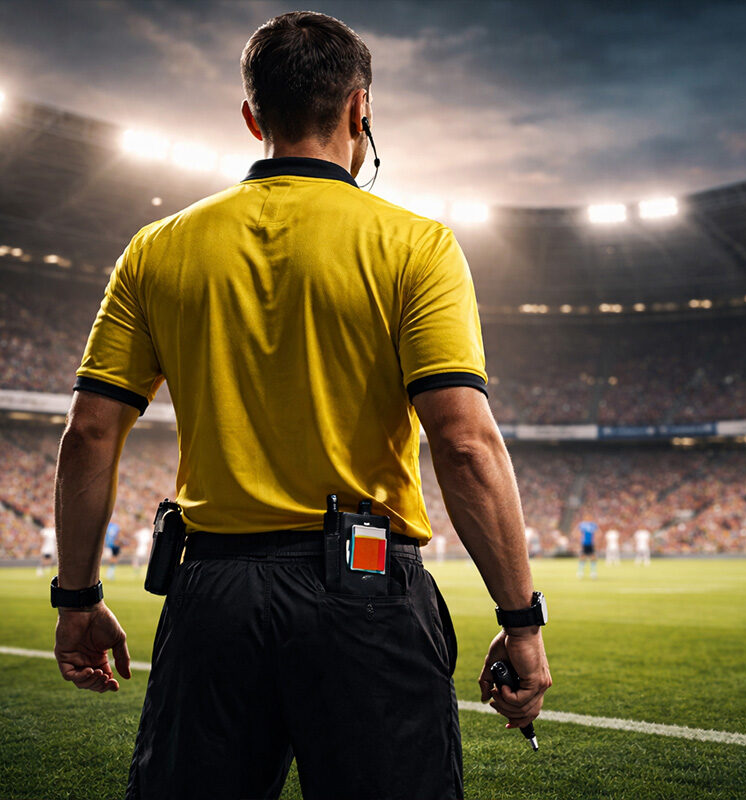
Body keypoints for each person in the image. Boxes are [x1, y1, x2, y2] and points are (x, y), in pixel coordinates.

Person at [51, 12, 551, 800]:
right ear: (360, 111)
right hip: (366, 589)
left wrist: (77, 600)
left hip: (210, 592)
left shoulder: (156, 248)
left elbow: (87, 435)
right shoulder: (417, 244)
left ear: (253, 117)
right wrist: (521, 620)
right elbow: (463, 445)